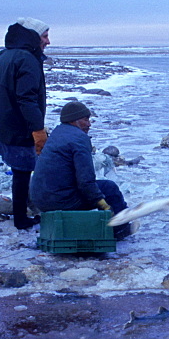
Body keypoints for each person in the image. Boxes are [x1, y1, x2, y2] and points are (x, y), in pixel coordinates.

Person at [0, 17, 50, 230]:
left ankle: (22, 212)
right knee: (22, 170)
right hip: (16, 123)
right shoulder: (27, 59)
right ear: (32, 37)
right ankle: (21, 219)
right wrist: (38, 129)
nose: (48, 41)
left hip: (0, 122)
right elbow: (27, 98)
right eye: (45, 36)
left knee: (20, 170)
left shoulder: (5, 54)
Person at [29, 101, 134, 239]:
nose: (89, 124)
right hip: (58, 200)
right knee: (109, 188)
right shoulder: (79, 139)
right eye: (85, 120)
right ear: (74, 121)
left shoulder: (57, 133)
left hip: (39, 198)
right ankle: (121, 228)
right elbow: (85, 181)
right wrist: (103, 204)